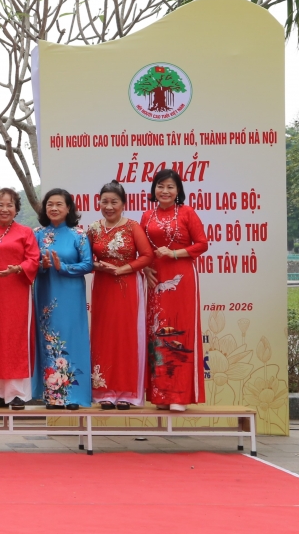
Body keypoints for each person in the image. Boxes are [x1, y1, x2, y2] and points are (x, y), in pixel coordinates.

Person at [140, 169, 208, 411]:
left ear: (178, 190)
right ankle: (161, 394)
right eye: (160, 186)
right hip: (156, 279)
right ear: (154, 189)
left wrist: (175, 252)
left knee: (180, 330)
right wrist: (145, 269)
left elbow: (202, 244)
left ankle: (179, 395)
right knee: (158, 331)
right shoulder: (147, 215)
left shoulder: (187, 213)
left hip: (182, 278)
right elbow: (144, 250)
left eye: (170, 186)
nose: (165, 191)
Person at [87, 182, 154, 410]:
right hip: (103, 286)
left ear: (123, 204)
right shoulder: (94, 228)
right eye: (104, 201)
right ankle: (105, 391)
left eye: (114, 202)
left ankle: (127, 392)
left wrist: (123, 269)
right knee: (104, 336)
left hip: (127, 285)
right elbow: (85, 259)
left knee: (126, 337)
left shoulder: (132, 226)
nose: (109, 206)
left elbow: (147, 256)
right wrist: (99, 266)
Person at [0, 188, 40, 410]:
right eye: (0, 205)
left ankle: (17, 393)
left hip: (16, 293)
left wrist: (17, 268)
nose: (4, 209)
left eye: (9, 205)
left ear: (16, 209)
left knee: (14, 341)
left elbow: (34, 260)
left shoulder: (25, 233)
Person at [32, 189, 93, 410]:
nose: (54, 208)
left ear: (69, 208)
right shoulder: (37, 234)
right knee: (49, 340)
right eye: (50, 204)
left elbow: (88, 264)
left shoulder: (79, 234)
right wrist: (42, 265)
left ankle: (74, 396)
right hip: (46, 293)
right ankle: (52, 395)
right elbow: (30, 262)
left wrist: (63, 267)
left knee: (71, 338)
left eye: (59, 204)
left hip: (71, 294)